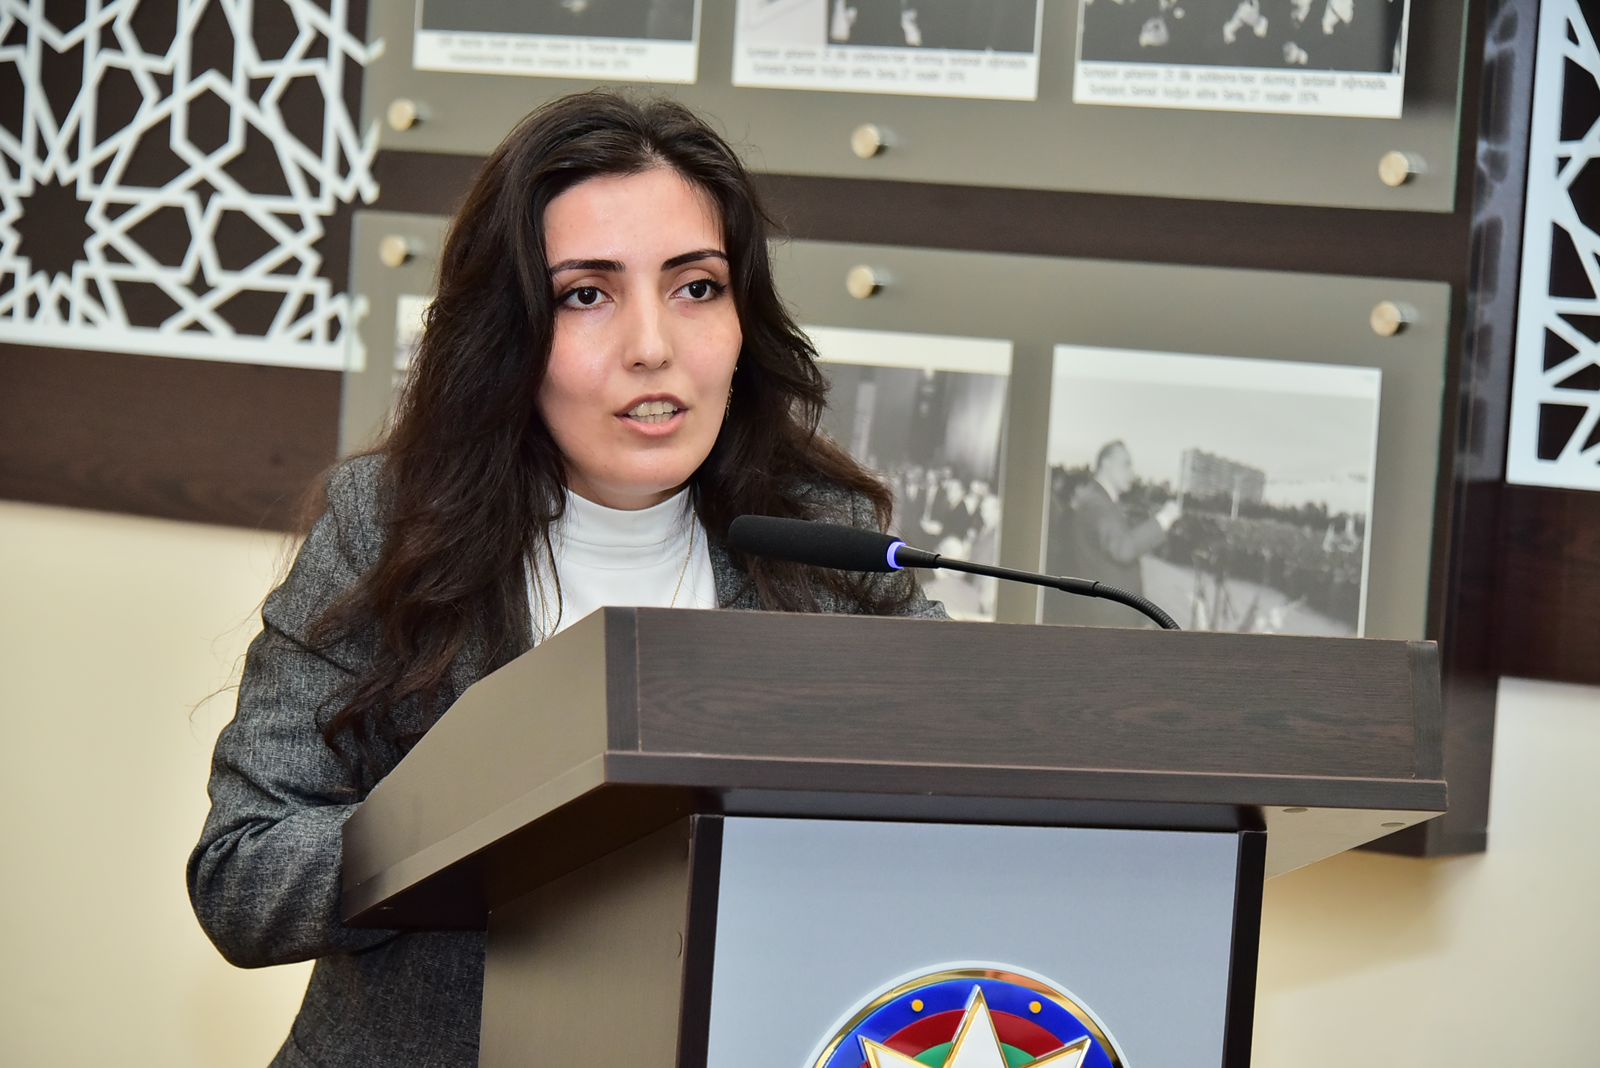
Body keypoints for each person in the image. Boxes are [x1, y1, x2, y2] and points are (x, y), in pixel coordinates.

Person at [186, 90, 945, 1068]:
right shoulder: (386, 525)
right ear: (508, 332)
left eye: (696, 287)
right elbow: (242, 876)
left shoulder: (823, 537)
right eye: (587, 295)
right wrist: (479, 820)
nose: (652, 347)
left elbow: (965, 799)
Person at [1058, 440, 1180, 628]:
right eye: (1126, 464)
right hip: (1108, 618)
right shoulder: (1096, 503)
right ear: (1106, 464)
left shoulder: (1101, 500)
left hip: (1113, 613)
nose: (1132, 473)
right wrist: (1163, 519)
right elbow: (1123, 548)